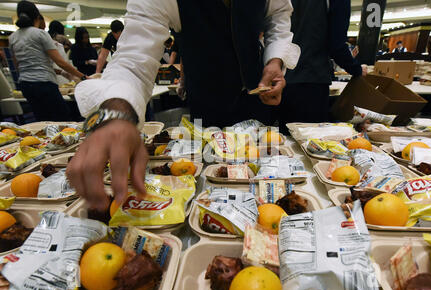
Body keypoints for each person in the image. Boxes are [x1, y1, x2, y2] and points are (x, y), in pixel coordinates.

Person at [68, 0, 300, 211]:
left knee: (263, 185)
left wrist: (275, 60)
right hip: (205, 101)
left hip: (255, 96)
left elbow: (278, 15)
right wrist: (117, 112)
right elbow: (133, 61)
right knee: (206, 185)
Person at [279, 0, 365, 132]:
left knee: (285, 142)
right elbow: (337, 46)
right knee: (310, 141)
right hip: (313, 79)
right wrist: (357, 69)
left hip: (282, 77)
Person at [9, 1, 86, 122]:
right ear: (37, 16)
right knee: (63, 117)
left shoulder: (13, 37)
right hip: (44, 83)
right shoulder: (40, 34)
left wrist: (60, 73)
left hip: (26, 84)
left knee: (42, 119)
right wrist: (82, 76)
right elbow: (60, 62)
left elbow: (18, 66)